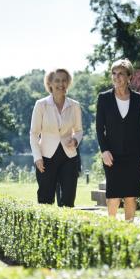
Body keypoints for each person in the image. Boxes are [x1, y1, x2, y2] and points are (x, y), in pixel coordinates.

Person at [96, 58, 140, 221]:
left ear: (129, 77)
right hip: (112, 155)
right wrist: (104, 151)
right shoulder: (104, 98)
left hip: (133, 154)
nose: (116, 77)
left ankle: (128, 231)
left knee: (131, 195)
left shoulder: (138, 99)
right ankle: (111, 230)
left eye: (121, 74)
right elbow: (99, 128)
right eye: (114, 74)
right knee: (114, 195)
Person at [29, 68, 82, 207]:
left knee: (68, 200)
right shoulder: (41, 105)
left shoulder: (75, 105)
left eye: (64, 80)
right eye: (57, 80)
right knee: (45, 200)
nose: (61, 83)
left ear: (68, 83)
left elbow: (79, 130)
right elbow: (34, 133)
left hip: (69, 157)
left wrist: (75, 139)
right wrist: (37, 157)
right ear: (50, 83)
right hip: (46, 158)